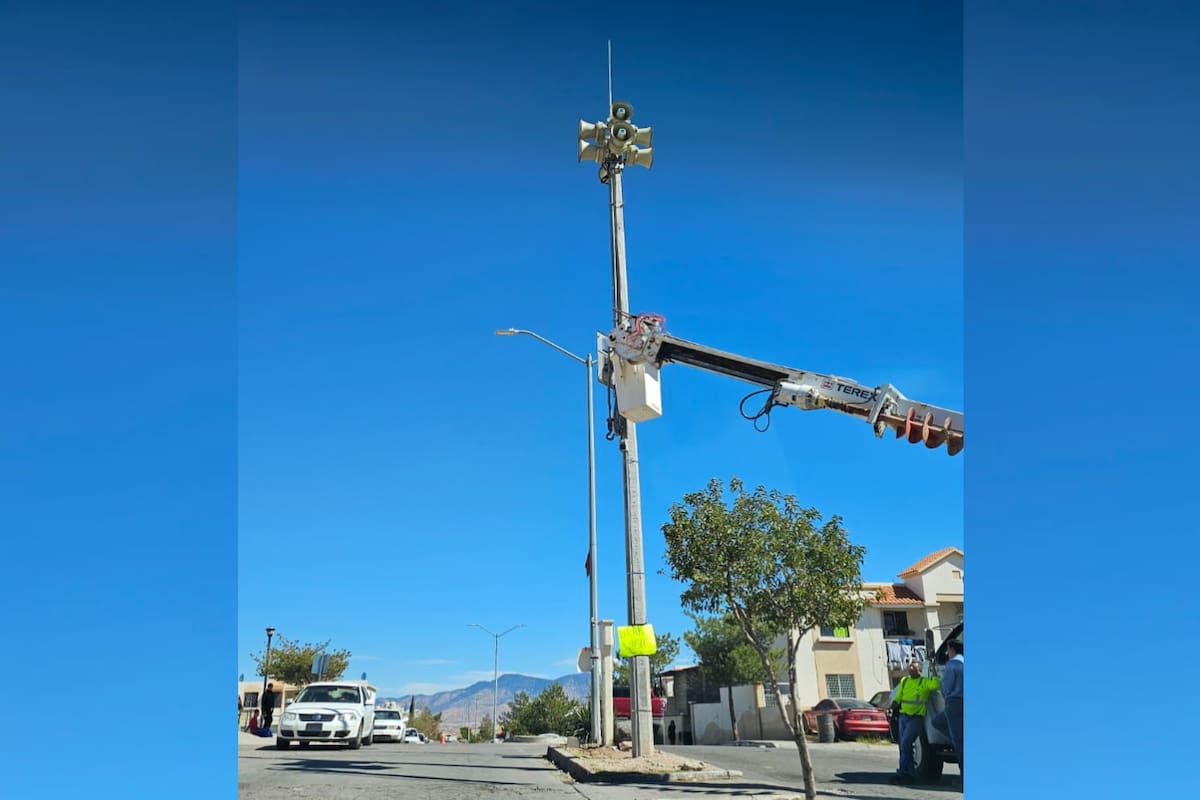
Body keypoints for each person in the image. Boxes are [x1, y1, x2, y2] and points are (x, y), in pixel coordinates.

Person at [889, 659, 939, 785]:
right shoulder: (904, 681)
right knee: (904, 747)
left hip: (916, 718)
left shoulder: (924, 682)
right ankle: (909, 773)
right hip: (903, 717)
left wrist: (931, 668)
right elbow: (898, 697)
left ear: (920, 671)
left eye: (914, 668)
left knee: (906, 744)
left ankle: (902, 773)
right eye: (910, 667)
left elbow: (936, 685)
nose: (911, 669)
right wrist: (891, 707)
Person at [933, 640, 963, 778]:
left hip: (955, 702)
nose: (947, 653)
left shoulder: (952, 664)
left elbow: (946, 686)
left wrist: (946, 696)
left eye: (948, 650)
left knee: (958, 739)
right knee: (938, 722)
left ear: (952, 649)